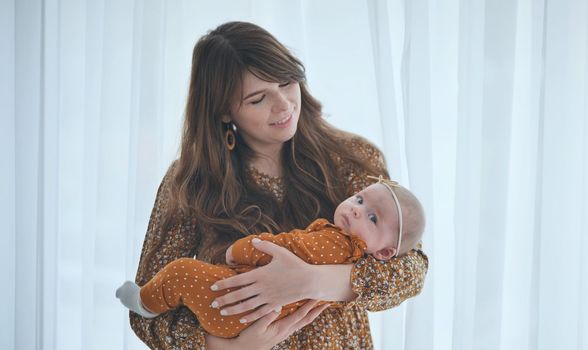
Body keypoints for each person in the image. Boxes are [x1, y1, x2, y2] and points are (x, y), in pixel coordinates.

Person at [129, 21, 429, 349]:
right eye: (258, 99)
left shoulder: (351, 158)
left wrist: (311, 281)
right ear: (224, 111)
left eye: (287, 83)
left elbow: (411, 268)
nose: (284, 105)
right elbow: (146, 309)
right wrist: (227, 348)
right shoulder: (190, 182)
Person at [118, 178, 425, 338]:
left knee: (181, 273)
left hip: (237, 309)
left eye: (372, 217)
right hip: (242, 320)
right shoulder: (347, 247)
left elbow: (286, 247)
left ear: (385, 253)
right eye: (359, 199)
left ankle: (144, 302)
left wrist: (243, 249)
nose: (357, 208)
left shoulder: (336, 244)